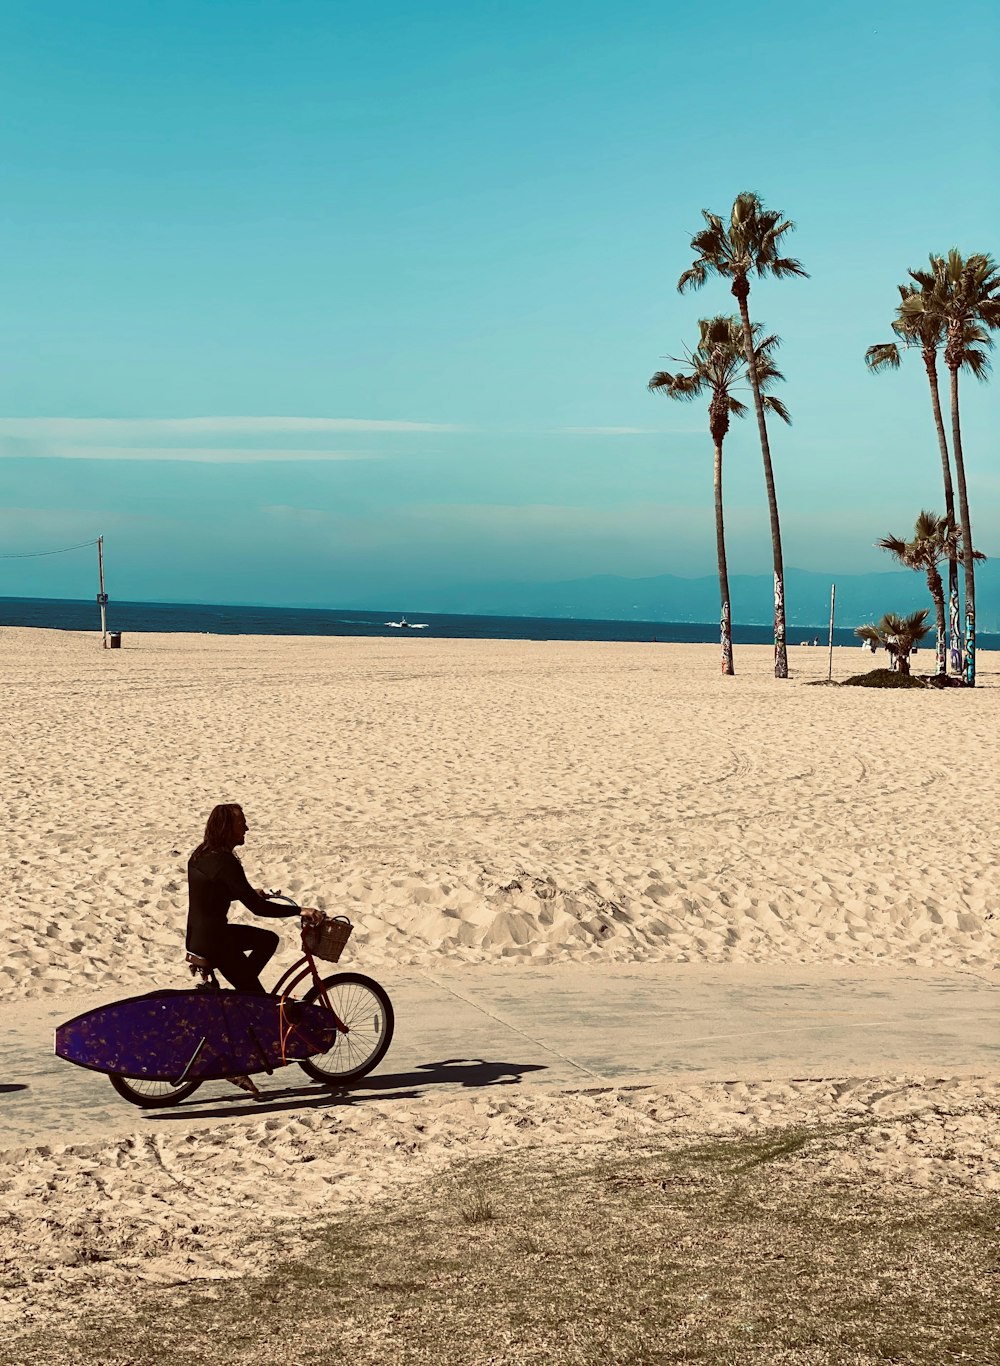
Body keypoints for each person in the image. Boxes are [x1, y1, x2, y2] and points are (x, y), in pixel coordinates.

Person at [187, 803, 320, 994]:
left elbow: (210, 891)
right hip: (215, 940)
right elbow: (259, 909)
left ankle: (244, 989)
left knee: (265, 941)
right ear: (227, 828)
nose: (246, 829)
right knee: (265, 951)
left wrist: (248, 893)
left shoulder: (201, 853)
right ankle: (246, 992)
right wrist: (299, 910)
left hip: (197, 937)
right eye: (242, 824)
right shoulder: (226, 862)